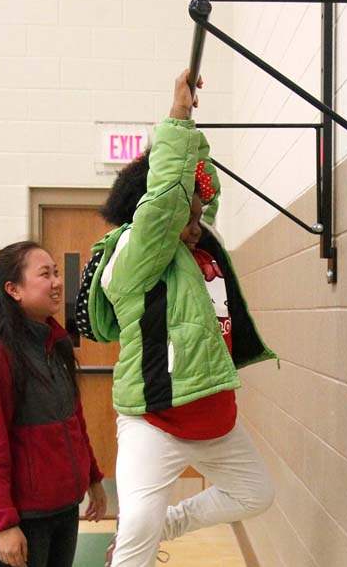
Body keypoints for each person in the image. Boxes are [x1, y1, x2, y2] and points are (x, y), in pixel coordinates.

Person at [85, 70, 277, 566]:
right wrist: (176, 117)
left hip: (213, 419)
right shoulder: (138, 250)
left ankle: (168, 525)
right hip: (156, 421)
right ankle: (143, 536)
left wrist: (193, 134)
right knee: (137, 530)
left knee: (255, 493)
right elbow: (166, 203)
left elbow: (201, 188)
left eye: (196, 216)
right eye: (186, 218)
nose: (195, 226)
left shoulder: (198, 244)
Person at [0, 241, 107, 567]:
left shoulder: (57, 343)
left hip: (64, 510)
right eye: (45, 274)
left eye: (57, 272)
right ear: (13, 289)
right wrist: (4, 524)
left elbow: (74, 419)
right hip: (25, 518)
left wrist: (93, 478)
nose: (57, 282)